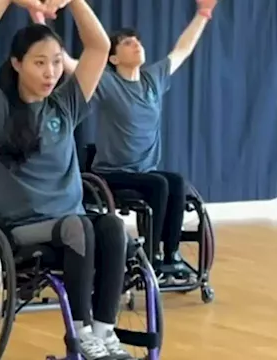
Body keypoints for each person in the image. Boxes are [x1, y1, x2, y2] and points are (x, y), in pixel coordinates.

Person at [0, 0, 134, 359]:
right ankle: (80, 334)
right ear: (17, 64)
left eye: (57, 62)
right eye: (40, 62)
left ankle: (104, 331)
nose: (51, 71)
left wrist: (75, 1)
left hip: (71, 228)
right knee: (78, 227)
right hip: (21, 230)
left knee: (113, 227)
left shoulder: (65, 105)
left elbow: (99, 47)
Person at [30, 0, 218, 284]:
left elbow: (183, 49)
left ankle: (170, 256)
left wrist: (203, 14)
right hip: (111, 174)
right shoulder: (106, 82)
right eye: (128, 43)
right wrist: (38, 18)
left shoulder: (153, 78)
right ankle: (151, 258)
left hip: (144, 172)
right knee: (160, 184)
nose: (137, 45)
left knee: (175, 181)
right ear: (114, 58)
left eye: (137, 42)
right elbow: (66, 63)